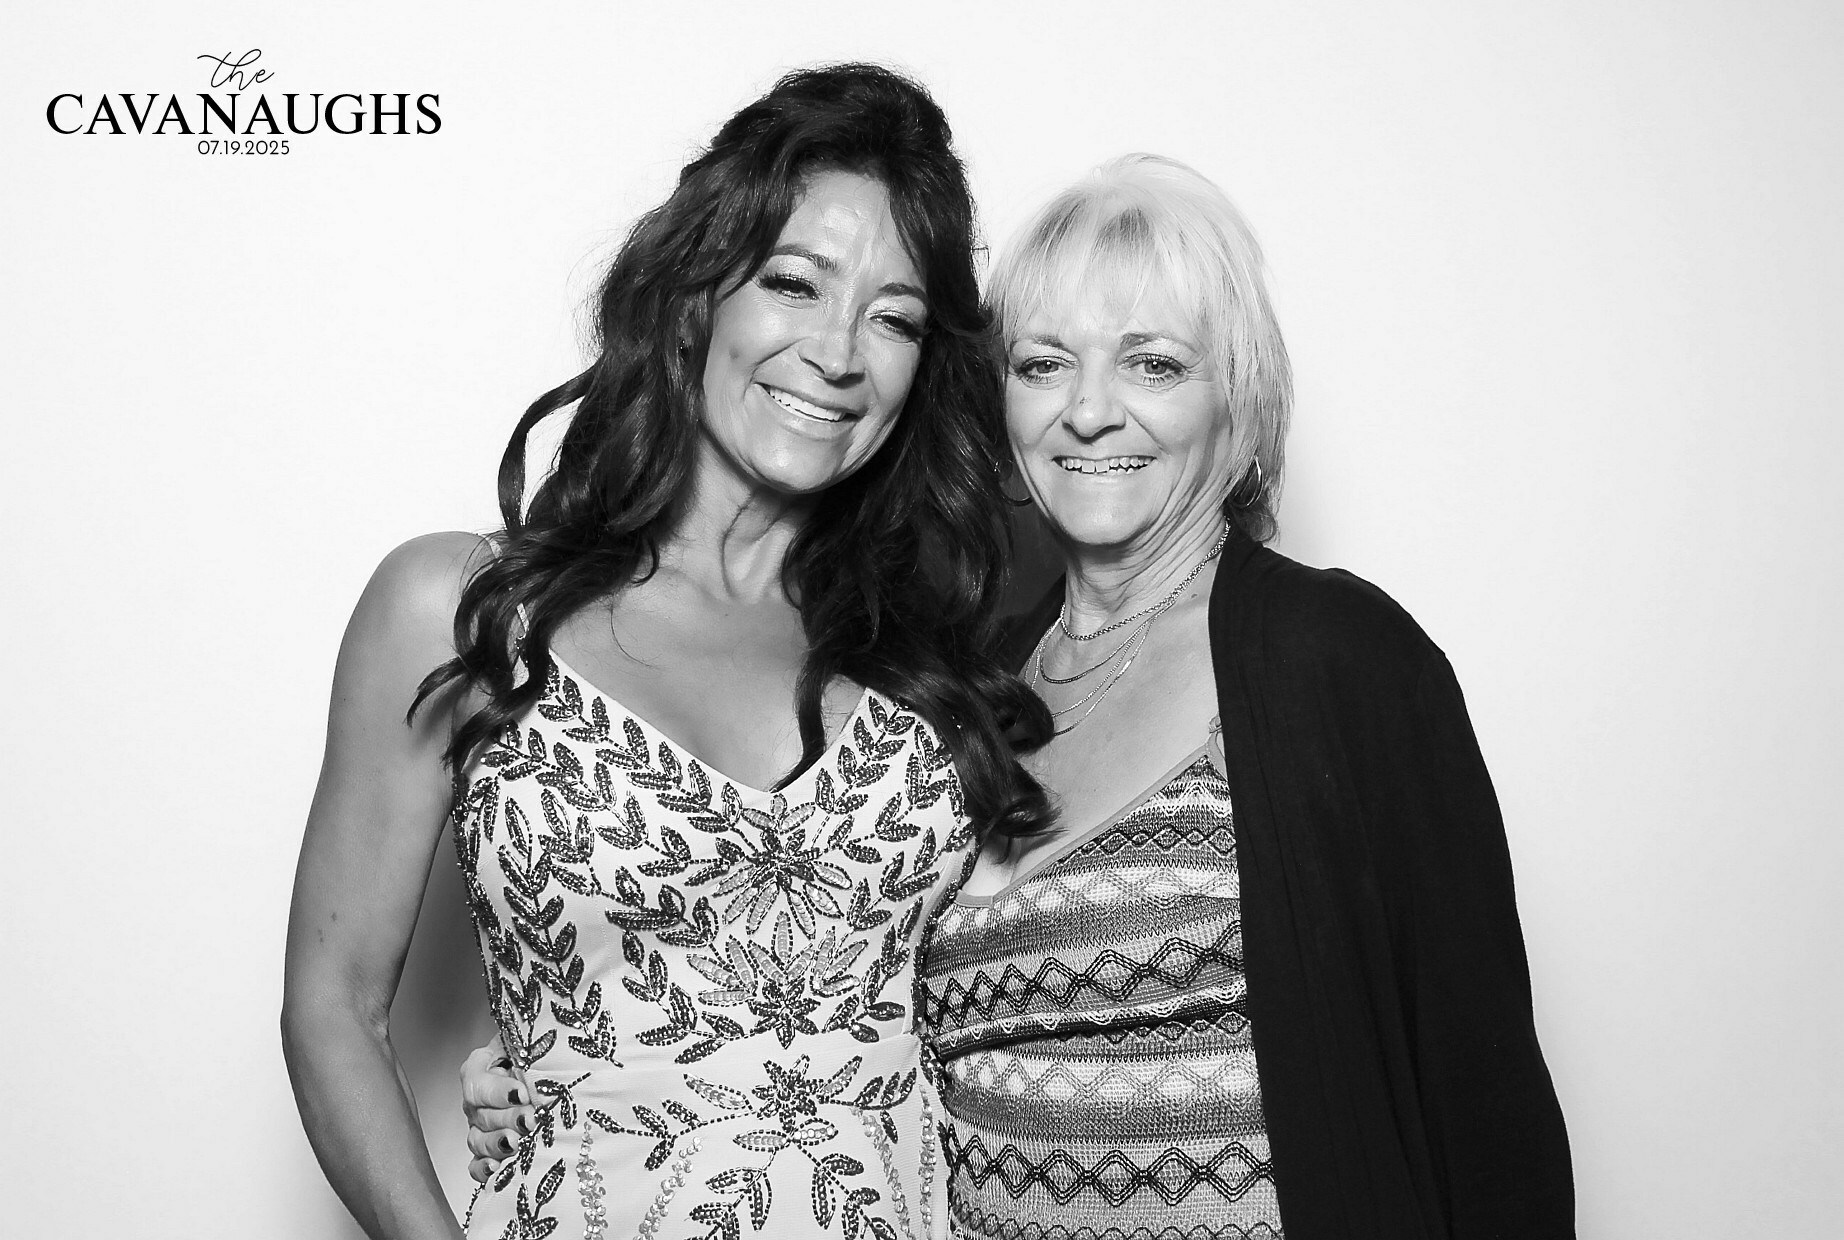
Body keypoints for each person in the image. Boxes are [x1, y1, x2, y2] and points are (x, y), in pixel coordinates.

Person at [466, 155, 1575, 1239]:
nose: (1089, 412)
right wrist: (575, 1061)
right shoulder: (955, 695)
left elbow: (1483, 1098)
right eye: (1045, 364)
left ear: (1238, 402)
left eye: (1151, 364)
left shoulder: (1330, 658)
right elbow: (829, 982)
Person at [283, 63, 1051, 1240]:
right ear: (697, 293)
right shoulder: (466, 611)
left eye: (892, 318)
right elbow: (333, 1007)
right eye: (793, 283)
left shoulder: (935, 657)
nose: (838, 352)